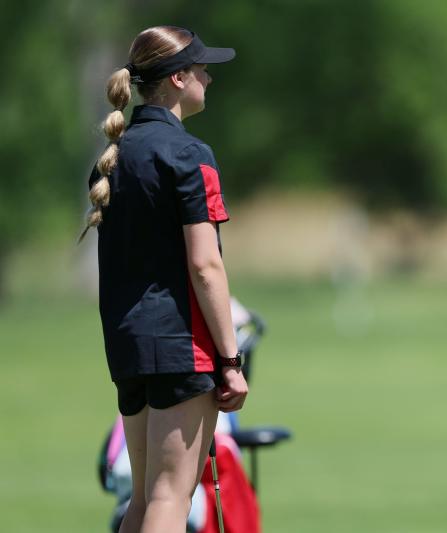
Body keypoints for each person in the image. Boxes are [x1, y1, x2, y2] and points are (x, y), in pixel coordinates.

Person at [80, 26, 249, 533]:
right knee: (172, 498)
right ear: (178, 79)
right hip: (181, 346)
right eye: (202, 70)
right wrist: (231, 360)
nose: (208, 80)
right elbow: (205, 265)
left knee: (145, 500)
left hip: (128, 346)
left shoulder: (112, 159)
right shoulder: (189, 155)